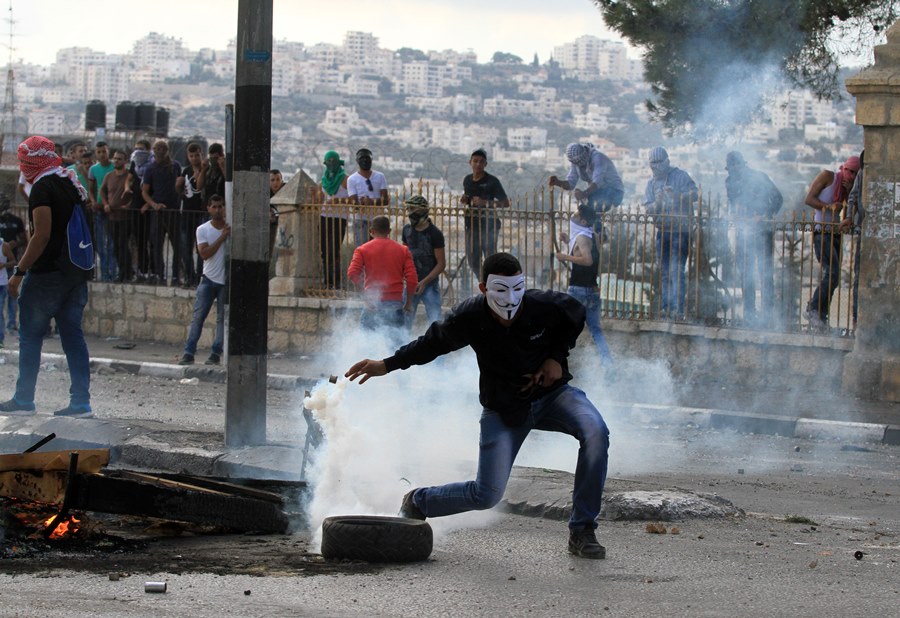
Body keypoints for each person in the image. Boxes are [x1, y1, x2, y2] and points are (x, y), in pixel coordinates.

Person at [345, 252, 610, 559]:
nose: (511, 299)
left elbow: (575, 314)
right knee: (486, 495)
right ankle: (419, 501)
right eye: (501, 290)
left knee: (595, 433)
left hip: (552, 396)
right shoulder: (469, 316)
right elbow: (431, 344)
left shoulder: (543, 305)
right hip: (504, 408)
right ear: (484, 288)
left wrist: (555, 355)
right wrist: (386, 365)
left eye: (517, 288)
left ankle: (582, 530)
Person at [0, 135, 93, 418]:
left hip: (47, 274)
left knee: (30, 336)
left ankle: (24, 399)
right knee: (73, 337)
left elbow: (41, 235)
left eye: (24, 161)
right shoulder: (69, 180)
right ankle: (80, 403)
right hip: (75, 273)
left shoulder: (42, 187)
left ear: (33, 161)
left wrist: (19, 272)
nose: (22, 166)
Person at [724, 151, 783, 325]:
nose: (733, 172)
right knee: (745, 273)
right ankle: (749, 314)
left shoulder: (759, 177)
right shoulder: (729, 182)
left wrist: (764, 214)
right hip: (743, 231)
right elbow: (733, 203)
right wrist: (734, 214)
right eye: (731, 169)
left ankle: (767, 315)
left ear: (743, 165)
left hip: (762, 230)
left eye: (736, 167)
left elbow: (778, 198)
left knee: (765, 273)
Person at [804, 155, 860, 330]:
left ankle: (820, 315)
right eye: (849, 171)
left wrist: (851, 189)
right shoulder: (828, 177)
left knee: (833, 277)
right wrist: (828, 207)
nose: (850, 174)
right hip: (822, 231)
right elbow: (809, 199)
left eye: (854, 173)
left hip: (836, 232)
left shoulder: (847, 187)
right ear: (843, 168)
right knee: (833, 273)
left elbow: (853, 206)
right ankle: (813, 310)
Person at [555, 203, 613, 366]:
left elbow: (588, 260)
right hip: (592, 291)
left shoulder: (582, 237)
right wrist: (568, 241)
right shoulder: (590, 235)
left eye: (577, 214)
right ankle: (608, 364)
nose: (573, 215)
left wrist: (565, 257)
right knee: (595, 329)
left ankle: (556, 360)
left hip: (579, 290)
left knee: (561, 323)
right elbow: (582, 251)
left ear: (583, 221)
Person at [643, 146, 698, 319]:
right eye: (653, 165)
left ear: (666, 163)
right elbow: (648, 209)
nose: (655, 169)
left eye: (658, 165)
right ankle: (666, 307)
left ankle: (678, 309)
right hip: (663, 230)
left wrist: (677, 197)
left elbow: (695, 194)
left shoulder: (680, 176)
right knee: (664, 271)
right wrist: (658, 203)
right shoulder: (651, 184)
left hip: (681, 231)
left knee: (676, 270)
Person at [178, 194, 230, 366]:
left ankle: (216, 352)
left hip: (225, 282)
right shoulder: (203, 229)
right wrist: (222, 237)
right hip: (208, 279)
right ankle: (189, 352)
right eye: (214, 206)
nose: (218, 210)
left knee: (222, 319)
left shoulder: (230, 228)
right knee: (198, 317)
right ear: (208, 208)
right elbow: (205, 254)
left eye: (221, 206)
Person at [347, 214, 417, 331]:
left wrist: (366, 299)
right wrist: (408, 303)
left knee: (367, 343)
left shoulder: (362, 250)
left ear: (371, 231)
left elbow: (353, 273)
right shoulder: (403, 250)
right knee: (396, 346)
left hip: (373, 304)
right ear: (389, 231)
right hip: (395, 305)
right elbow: (412, 279)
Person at [549, 142, 624, 238]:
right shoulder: (575, 163)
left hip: (613, 191)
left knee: (593, 207)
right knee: (583, 211)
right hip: (596, 192)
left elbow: (597, 182)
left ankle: (599, 234)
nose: (581, 167)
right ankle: (592, 234)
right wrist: (558, 182)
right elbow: (571, 183)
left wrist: (584, 194)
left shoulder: (598, 159)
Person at [461, 148, 509, 280]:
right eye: (475, 161)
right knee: (472, 260)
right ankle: (484, 282)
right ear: (470, 162)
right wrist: (465, 200)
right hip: (471, 224)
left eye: (481, 162)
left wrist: (485, 203)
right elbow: (468, 199)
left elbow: (505, 203)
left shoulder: (492, 181)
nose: (478, 164)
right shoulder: (467, 180)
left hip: (489, 226)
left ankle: (492, 283)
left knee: (490, 259)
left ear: (485, 164)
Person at [141, 140, 183, 286]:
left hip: (174, 211)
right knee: (156, 245)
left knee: (177, 245)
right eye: (157, 148)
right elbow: (145, 192)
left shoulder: (176, 166)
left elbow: (181, 186)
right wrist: (153, 205)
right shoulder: (150, 169)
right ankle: (160, 274)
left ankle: (176, 275)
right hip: (158, 212)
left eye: (162, 148)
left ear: (167, 150)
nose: (159, 151)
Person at [401, 195, 446, 328]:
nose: (410, 212)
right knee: (404, 321)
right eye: (408, 209)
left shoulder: (435, 233)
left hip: (429, 285)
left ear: (422, 211)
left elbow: (441, 264)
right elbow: (404, 255)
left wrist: (423, 282)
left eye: (413, 209)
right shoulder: (406, 230)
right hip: (410, 285)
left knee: (436, 322)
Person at [99, 150, 134, 282]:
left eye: (119, 159)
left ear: (125, 161)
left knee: (123, 245)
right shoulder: (109, 176)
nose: (116, 161)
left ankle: (127, 272)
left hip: (125, 217)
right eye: (115, 158)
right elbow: (102, 191)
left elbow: (135, 192)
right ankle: (122, 272)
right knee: (116, 246)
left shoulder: (129, 176)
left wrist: (129, 205)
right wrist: (105, 204)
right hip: (112, 217)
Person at [177, 142, 208, 287]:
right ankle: (190, 277)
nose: (194, 158)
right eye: (191, 156)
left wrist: (201, 172)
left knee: (201, 247)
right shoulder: (186, 171)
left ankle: (200, 277)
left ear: (201, 154)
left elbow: (200, 187)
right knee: (185, 247)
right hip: (187, 213)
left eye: (197, 155)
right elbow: (179, 189)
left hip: (200, 213)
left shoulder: (206, 170)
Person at [319, 150, 350, 289]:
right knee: (324, 250)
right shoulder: (323, 181)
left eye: (333, 161)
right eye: (328, 161)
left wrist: (339, 201)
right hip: (324, 217)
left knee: (334, 249)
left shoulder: (346, 179)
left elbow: (354, 199)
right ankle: (327, 281)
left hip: (339, 218)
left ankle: (336, 282)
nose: (331, 164)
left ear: (338, 162)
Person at [347, 148, 390, 248]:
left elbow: (386, 200)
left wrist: (372, 202)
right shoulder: (352, 179)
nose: (365, 161)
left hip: (378, 220)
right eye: (362, 158)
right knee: (363, 250)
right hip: (361, 220)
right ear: (357, 161)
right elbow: (354, 204)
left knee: (378, 250)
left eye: (367, 158)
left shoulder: (380, 176)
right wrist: (362, 203)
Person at [842, 150, 865, 331]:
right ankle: (857, 320)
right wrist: (849, 217)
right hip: (863, 230)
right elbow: (853, 197)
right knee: (859, 277)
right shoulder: (863, 175)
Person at [88, 142, 117, 282]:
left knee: (112, 243)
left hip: (112, 209)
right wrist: (93, 201)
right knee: (100, 243)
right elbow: (91, 188)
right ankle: (105, 273)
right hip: (99, 209)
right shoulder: (93, 169)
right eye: (98, 152)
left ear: (108, 152)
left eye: (103, 151)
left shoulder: (114, 167)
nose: (101, 154)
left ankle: (113, 272)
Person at [0, 196, 26, 331]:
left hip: (11, 261)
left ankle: (11, 322)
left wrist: (15, 243)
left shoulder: (16, 221)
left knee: (11, 294)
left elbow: (23, 239)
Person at [0, 235, 16, 348]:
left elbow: (14, 261)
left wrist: (3, 265)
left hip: (1, 283)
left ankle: (0, 339)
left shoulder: (3, 246)